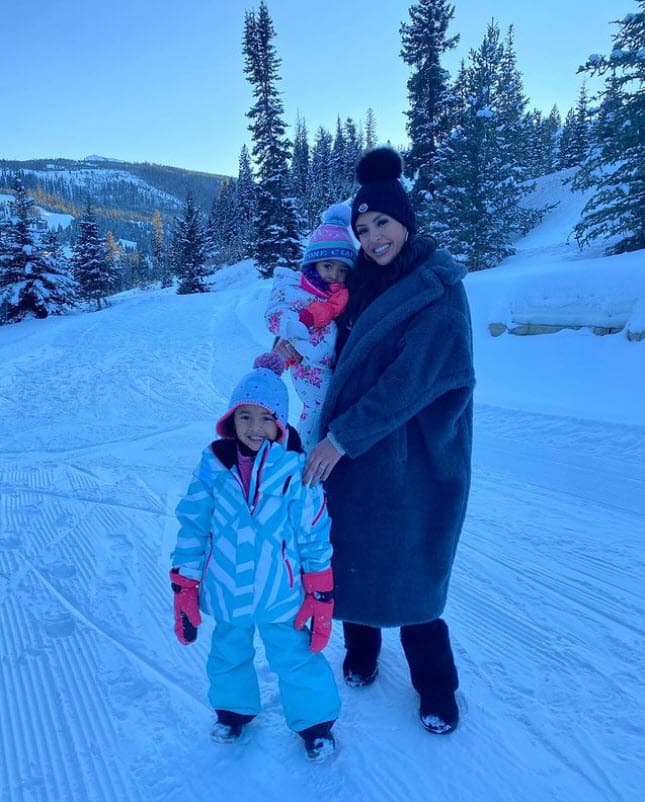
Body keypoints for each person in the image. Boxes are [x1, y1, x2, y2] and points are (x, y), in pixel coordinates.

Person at [302, 147, 475, 735]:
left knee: (411, 570)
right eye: (363, 227)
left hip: (412, 456)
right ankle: (362, 653)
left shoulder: (438, 287)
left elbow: (411, 382)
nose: (374, 237)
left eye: (382, 223)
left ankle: (437, 687)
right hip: (354, 452)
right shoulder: (360, 282)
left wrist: (339, 440)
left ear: (406, 220)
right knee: (352, 557)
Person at [169, 352, 340, 760]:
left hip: (280, 591)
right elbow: (193, 525)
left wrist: (319, 586)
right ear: (231, 421)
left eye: (265, 418)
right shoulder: (212, 468)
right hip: (227, 590)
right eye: (245, 417)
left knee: (296, 657)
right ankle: (233, 713)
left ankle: (315, 725)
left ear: (280, 424)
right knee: (228, 654)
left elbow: (313, 531)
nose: (255, 427)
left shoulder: (296, 471)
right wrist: (185, 584)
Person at [265, 203, 357, 451]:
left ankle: (306, 451)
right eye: (328, 266)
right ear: (313, 264)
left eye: (342, 270)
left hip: (327, 365)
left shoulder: (339, 298)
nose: (334, 275)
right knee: (317, 408)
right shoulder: (296, 290)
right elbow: (274, 316)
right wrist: (289, 329)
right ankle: (303, 454)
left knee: (326, 410)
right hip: (307, 364)